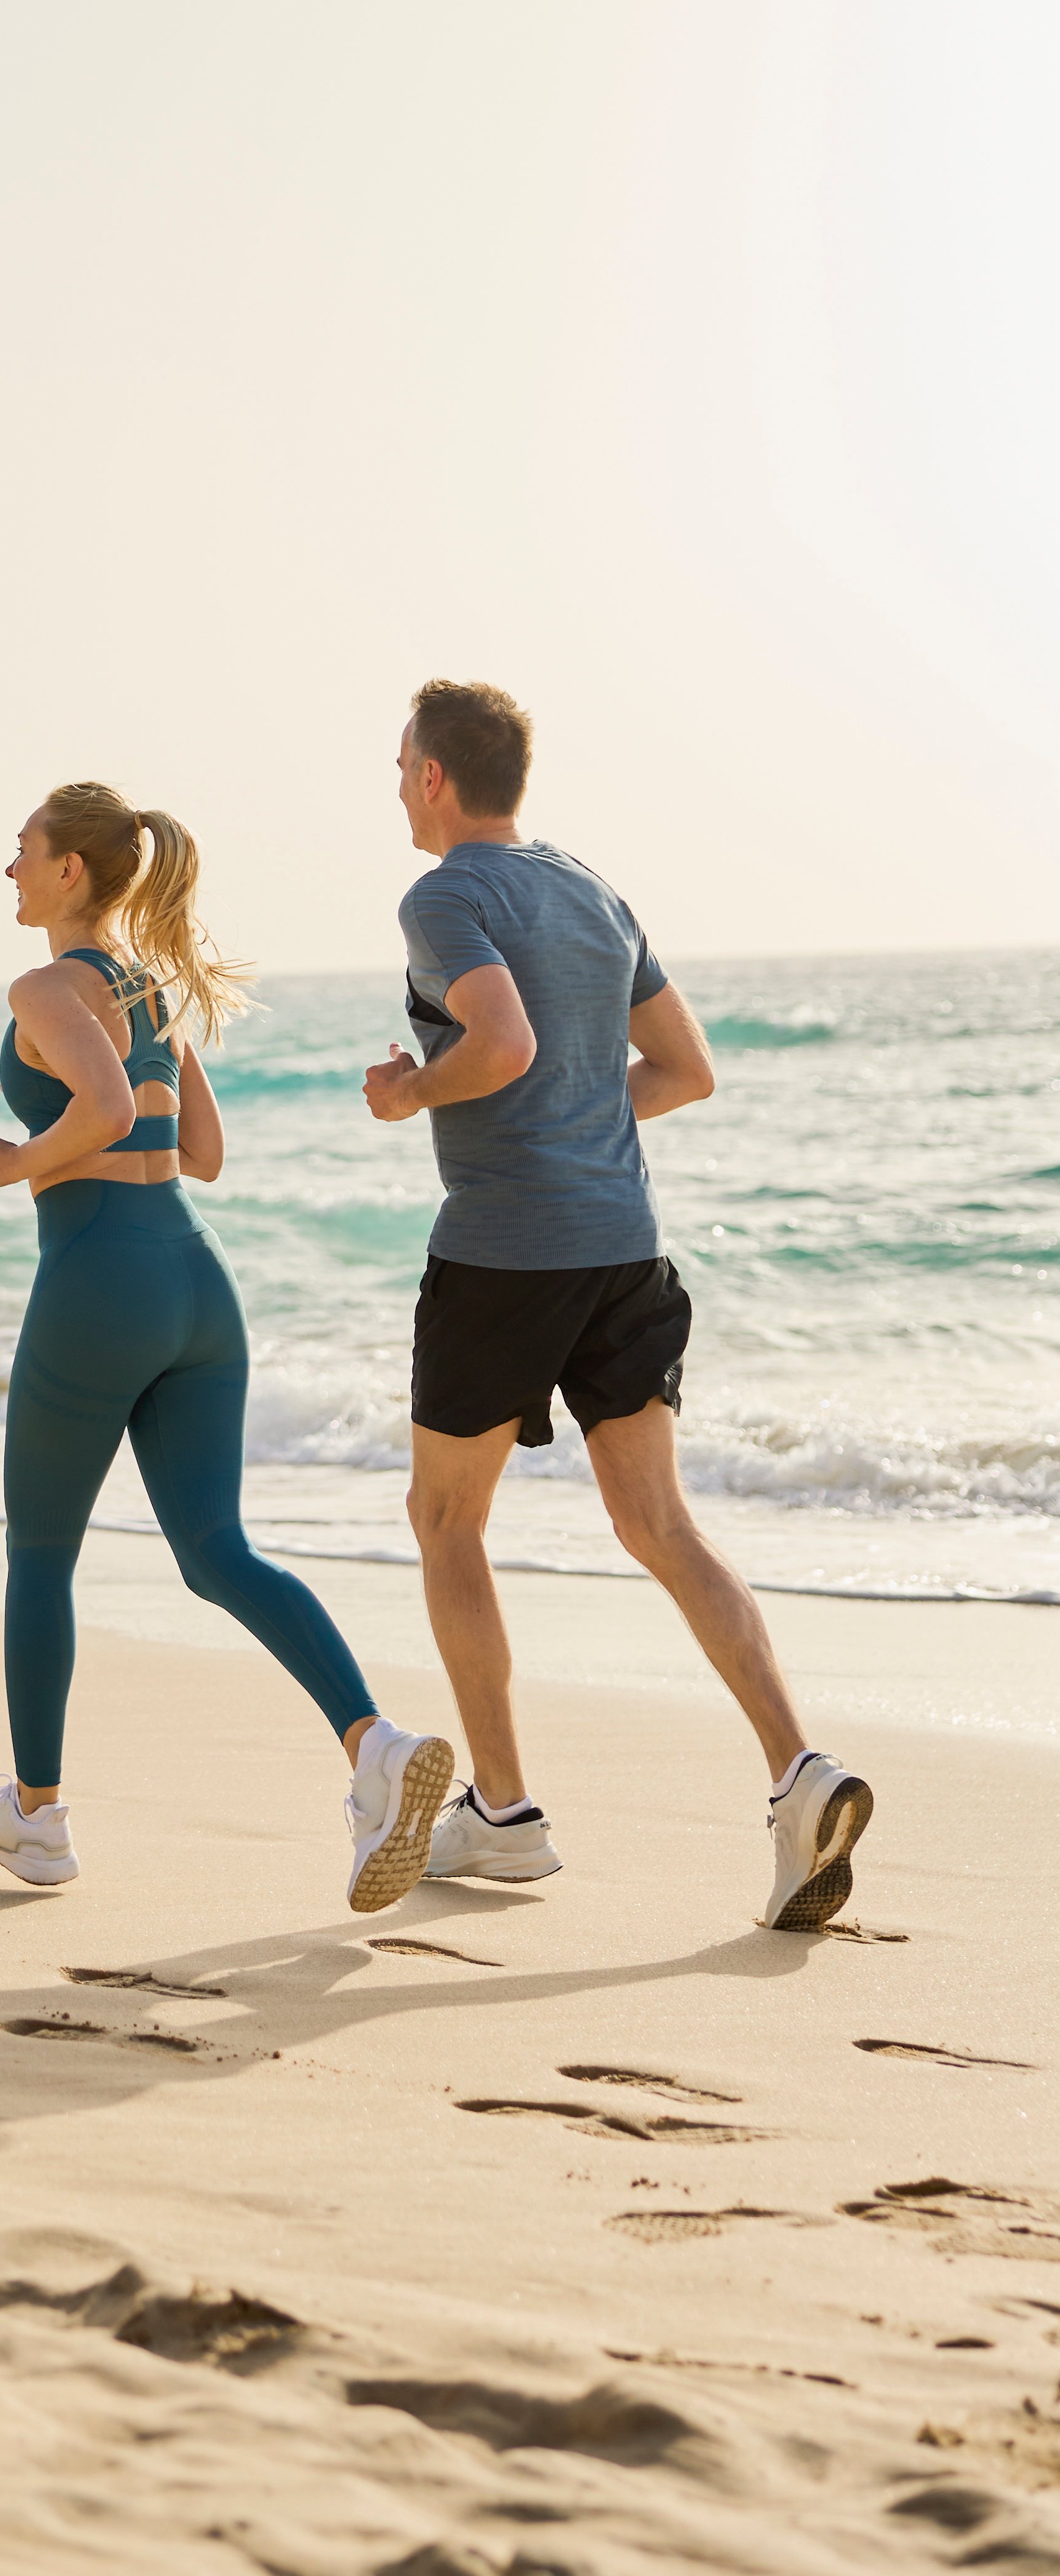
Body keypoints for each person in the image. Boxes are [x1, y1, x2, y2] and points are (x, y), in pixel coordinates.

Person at [364, 679, 872, 1930]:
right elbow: (685, 1072)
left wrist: (412, 1093)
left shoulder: (443, 897)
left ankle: (503, 1815)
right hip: (625, 1252)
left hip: (504, 1256)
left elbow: (502, 1045)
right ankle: (797, 1773)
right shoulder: (594, 891)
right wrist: (577, 1118)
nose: (394, 788)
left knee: (444, 1520)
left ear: (433, 776)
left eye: (398, 766)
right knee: (660, 1526)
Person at [0, 781, 454, 1910]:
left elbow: (110, 1113)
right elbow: (202, 1151)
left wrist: (14, 1164)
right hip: (197, 1283)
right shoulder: (151, 987)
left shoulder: (46, 987)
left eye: (23, 851)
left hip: (100, 1282)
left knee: (41, 1554)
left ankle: (37, 1817)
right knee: (219, 1550)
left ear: (70, 869)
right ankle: (374, 1747)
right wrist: (94, 1122)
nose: (11, 870)